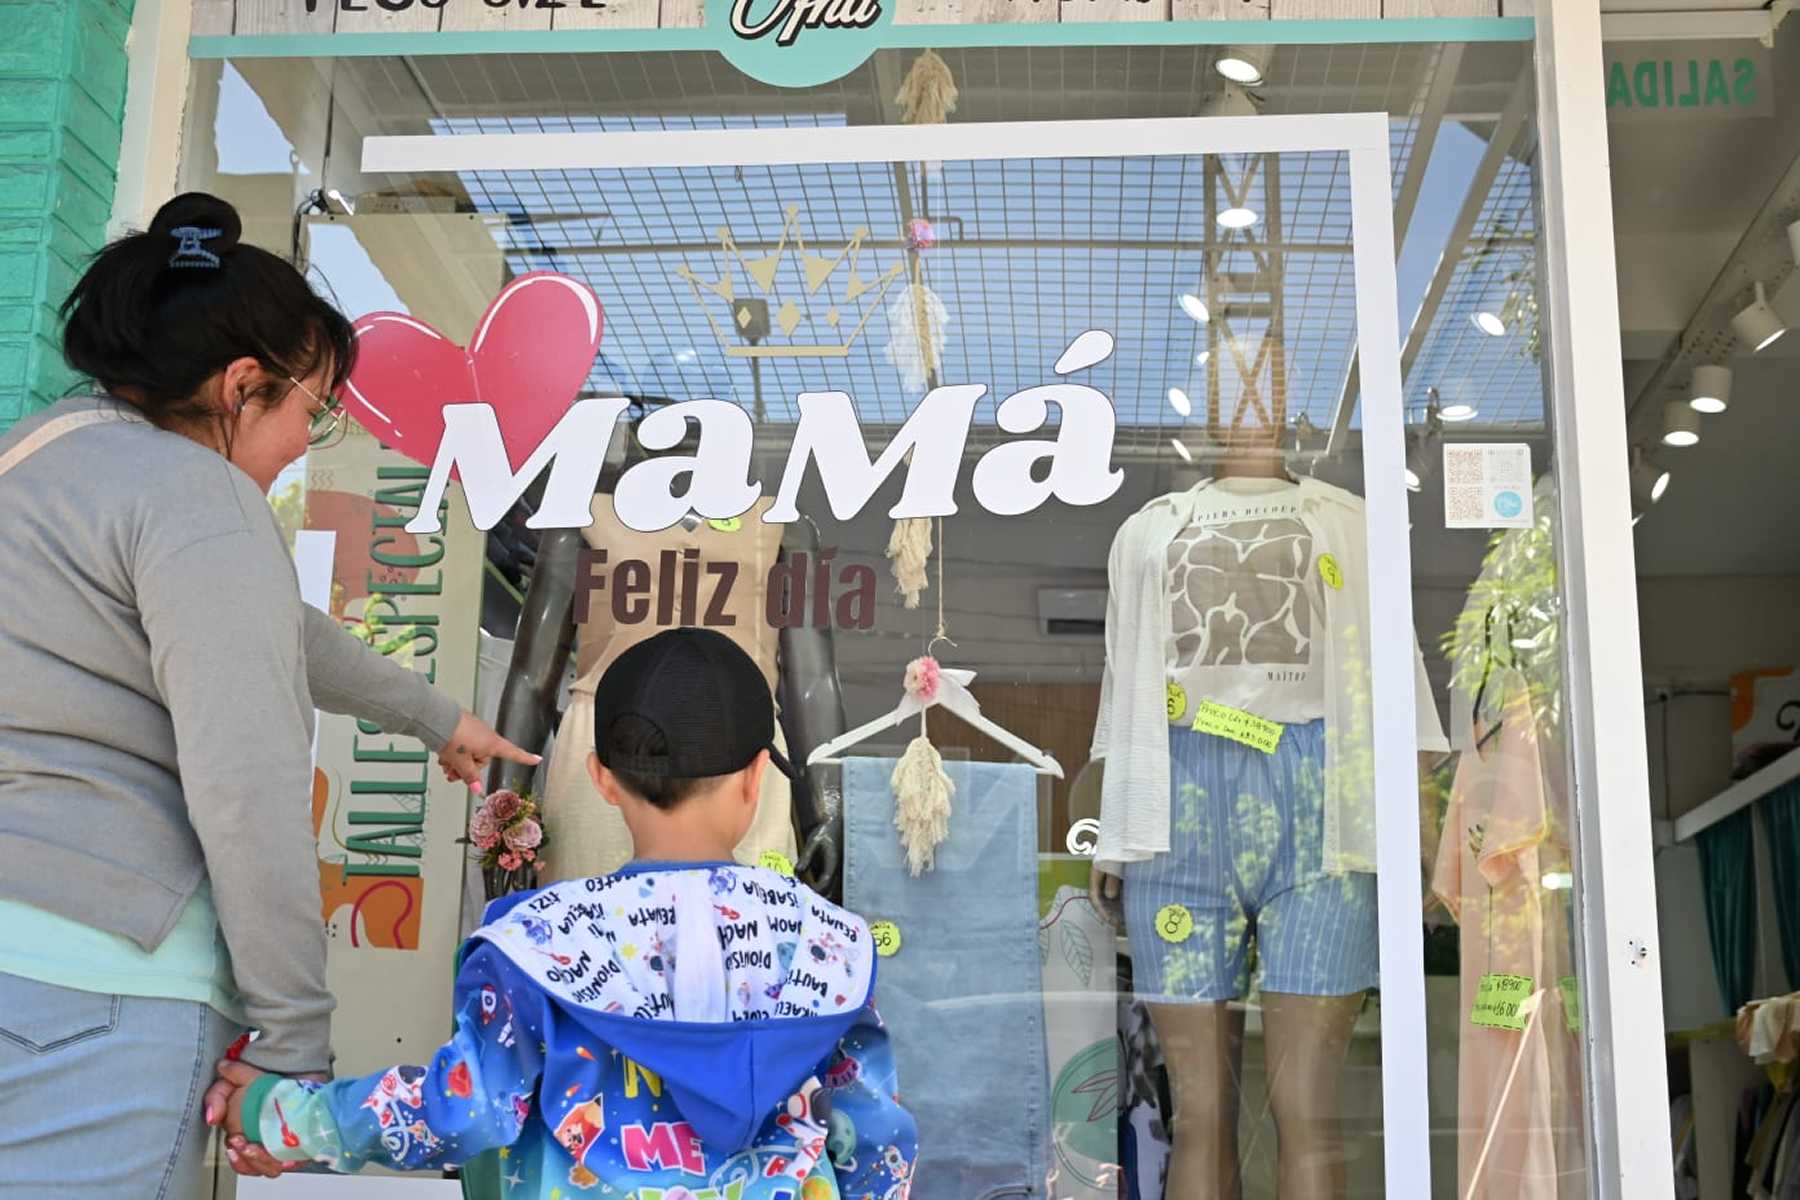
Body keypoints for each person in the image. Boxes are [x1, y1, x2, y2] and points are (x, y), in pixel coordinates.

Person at [0, 192, 538, 1196]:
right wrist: (294, 1052)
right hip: (96, 993)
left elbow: (270, 631)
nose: (305, 440)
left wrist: (429, 714)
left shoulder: (37, 462)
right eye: (311, 409)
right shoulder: (198, 495)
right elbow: (246, 788)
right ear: (242, 386)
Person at [211, 627, 920, 1199]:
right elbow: (876, 1142)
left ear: (603, 780)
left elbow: (465, 1107)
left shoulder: (538, 944)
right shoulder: (830, 950)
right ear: (758, 777)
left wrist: (282, 1118)